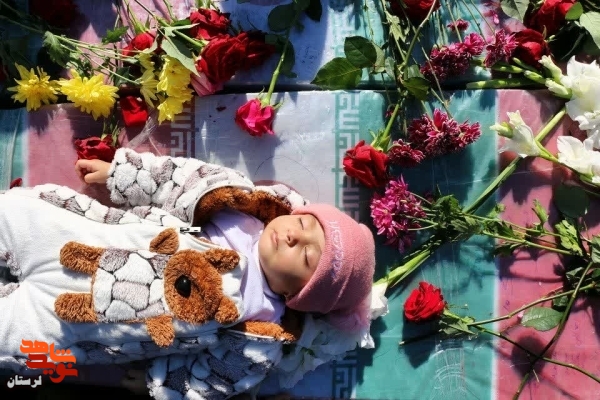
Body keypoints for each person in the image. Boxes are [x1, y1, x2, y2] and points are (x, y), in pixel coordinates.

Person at [0, 148, 376, 400]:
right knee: (21, 214)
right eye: (305, 223)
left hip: (84, 326)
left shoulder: (261, 330)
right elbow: (176, 179)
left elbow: (214, 378)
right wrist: (121, 173)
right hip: (81, 240)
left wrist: (160, 382)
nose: (294, 235)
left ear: (297, 295)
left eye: (307, 256)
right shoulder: (235, 206)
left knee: (15, 341)